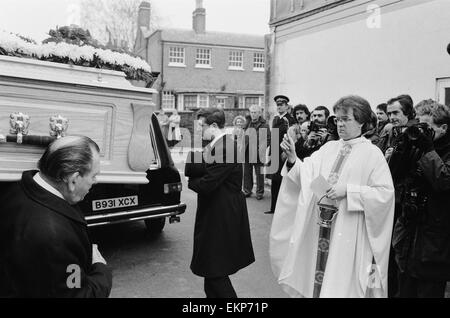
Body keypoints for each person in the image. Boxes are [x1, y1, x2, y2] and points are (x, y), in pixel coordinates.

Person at [270, 95, 395, 298]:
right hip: (320, 228)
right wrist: (293, 159)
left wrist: (348, 191)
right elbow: (307, 175)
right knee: (317, 280)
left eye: (347, 119)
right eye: (338, 119)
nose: (340, 124)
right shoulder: (328, 148)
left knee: (341, 283)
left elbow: (384, 195)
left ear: (361, 121)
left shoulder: (372, 154)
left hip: (349, 231)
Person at [0, 136, 112, 297]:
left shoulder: (15, 190)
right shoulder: (55, 238)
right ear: (73, 180)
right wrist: (101, 268)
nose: (95, 181)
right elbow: (77, 294)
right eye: (93, 175)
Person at [185, 107, 255, 298]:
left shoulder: (225, 147)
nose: (199, 130)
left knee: (215, 271)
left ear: (214, 125)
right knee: (211, 269)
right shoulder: (218, 144)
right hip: (216, 211)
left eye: (202, 126)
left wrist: (190, 180)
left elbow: (207, 184)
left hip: (222, 215)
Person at [392, 100, 450, 298]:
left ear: (443, 127)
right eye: (420, 126)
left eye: (428, 128)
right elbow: (394, 176)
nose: (422, 132)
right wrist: (402, 147)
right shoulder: (417, 145)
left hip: (434, 240)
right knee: (403, 289)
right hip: (409, 232)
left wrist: (428, 149)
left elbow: (444, 182)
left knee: (428, 291)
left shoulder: (435, 149)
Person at [266, 95, 296, 214]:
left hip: (283, 154)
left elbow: (291, 138)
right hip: (274, 154)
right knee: (275, 181)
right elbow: (274, 137)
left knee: (282, 180)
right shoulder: (275, 119)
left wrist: (285, 152)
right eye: (278, 105)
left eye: (282, 105)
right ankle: (273, 208)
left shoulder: (290, 120)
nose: (279, 107)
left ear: (287, 106)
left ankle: (282, 209)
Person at [243, 105, 270, 200]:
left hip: (258, 151)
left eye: (255, 112)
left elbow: (268, 139)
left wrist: (261, 149)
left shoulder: (264, 125)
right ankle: (247, 190)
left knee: (259, 174)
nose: (253, 114)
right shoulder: (247, 123)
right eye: (251, 112)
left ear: (259, 113)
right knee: (247, 172)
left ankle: (259, 192)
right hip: (247, 151)